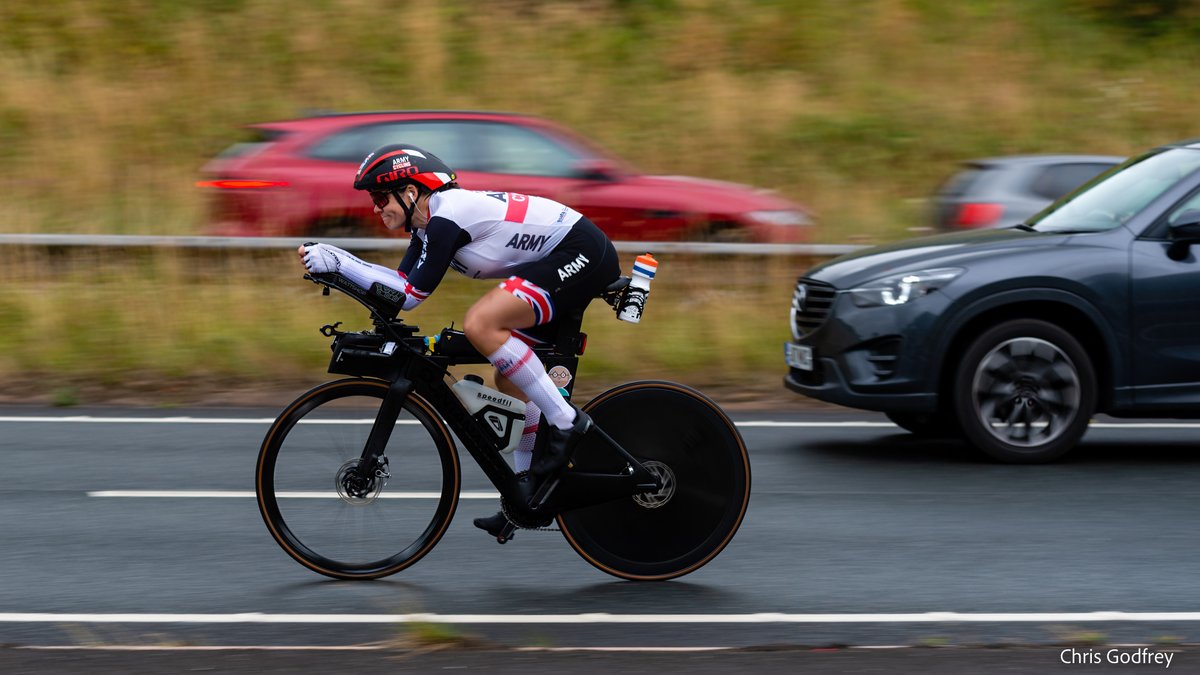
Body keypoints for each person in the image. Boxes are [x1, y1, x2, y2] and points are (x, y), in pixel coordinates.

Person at [298, 143, 620, 536]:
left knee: (481, 324)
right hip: (559, 258)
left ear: (411, 191)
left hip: (581, 250)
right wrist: (339, 271)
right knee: (509, 381)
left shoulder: (446, 216)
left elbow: (411, 296)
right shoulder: (426, 227)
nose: (376, 207)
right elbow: (397, 292)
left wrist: (342, 261)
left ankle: (567, 422)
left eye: (381, 197)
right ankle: (529, 495)